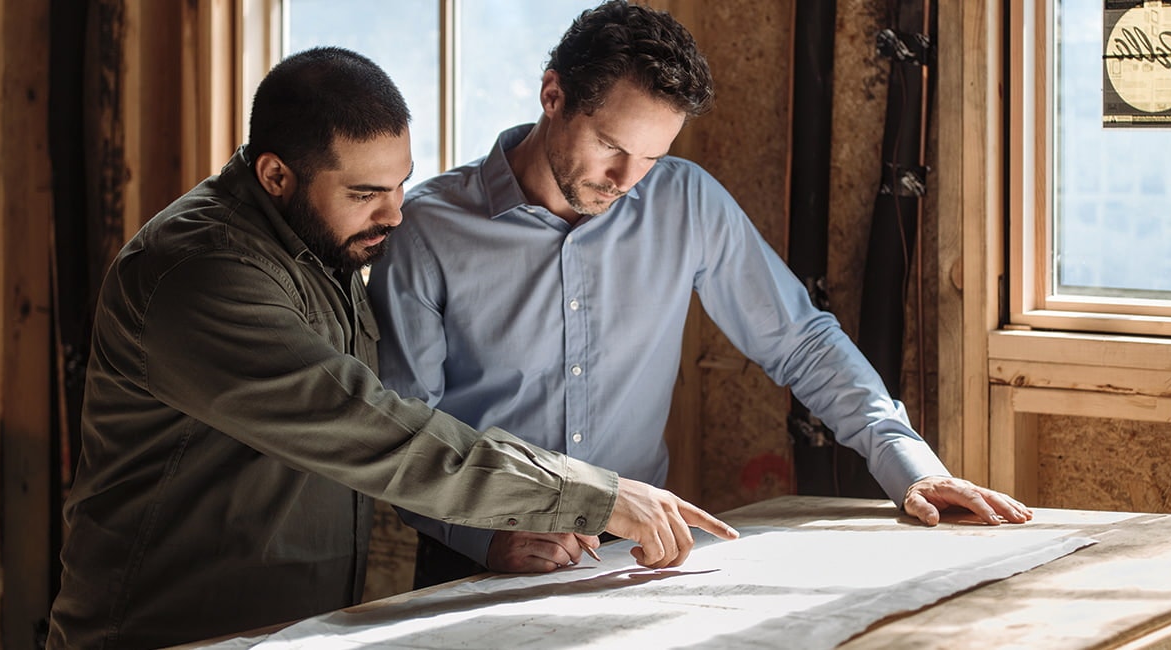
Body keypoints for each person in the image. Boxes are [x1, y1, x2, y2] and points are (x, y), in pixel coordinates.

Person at [46, 46, 737, 650]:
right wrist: (591, 494)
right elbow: (378, 431)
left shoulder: (324, 242)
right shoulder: (203, 276)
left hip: (291, 632)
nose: (396, 214)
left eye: (403, 182)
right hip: (168, 636)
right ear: (276, 176)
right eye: (367, 192)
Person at [367, 0, 1033, 589]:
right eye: (610, 146)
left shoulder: (683, 200)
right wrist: (488, 536)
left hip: (635, 559)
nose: (625, 180)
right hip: (477, 564)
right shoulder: (428, 230)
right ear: (553, 95)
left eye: (651, 157)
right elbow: (405, 432)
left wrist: (910, 466)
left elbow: (801, 341)